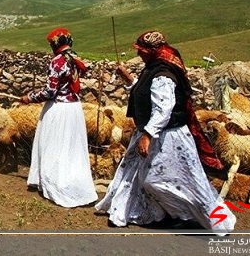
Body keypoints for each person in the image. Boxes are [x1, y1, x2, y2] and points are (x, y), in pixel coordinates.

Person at [94, 30, 236, 235]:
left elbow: (163, 108)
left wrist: (148, 135)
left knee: (168, 181)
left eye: (141, 51)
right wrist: (129, 79)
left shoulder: (163, 74)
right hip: (155, 134)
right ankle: (162, 215)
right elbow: (146, 94)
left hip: (168, 138)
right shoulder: (153, 68)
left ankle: (215, 221)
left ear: (152, 51)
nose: (139, 54)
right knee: (140, 177)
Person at [19, 27, 98, 208]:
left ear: (54, 44)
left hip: (59, 110)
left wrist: (29, 98)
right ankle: (78, 185)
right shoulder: (75, 58)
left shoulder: (57, 62)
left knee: (54, 146)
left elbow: (50, 91)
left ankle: (57, 185)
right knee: (71, 147)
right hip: (74, 109)